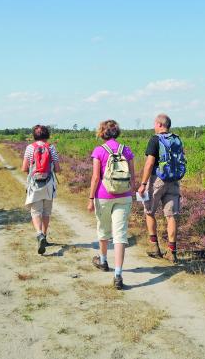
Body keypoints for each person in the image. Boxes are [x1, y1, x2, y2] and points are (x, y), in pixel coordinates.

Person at [87, 120, 136, 289]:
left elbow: (95, 178)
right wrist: (133, 194)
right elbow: (133, 176)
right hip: (124, 196)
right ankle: (118, 274)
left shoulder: (99, 151)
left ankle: (103, 260)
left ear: (102, 132)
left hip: (104, 195)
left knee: (103, 229)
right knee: (120, 235)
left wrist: (91, 198)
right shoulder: (126, 150)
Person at [136, 114, 186, 263]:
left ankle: (154, 247)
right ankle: (172, 252)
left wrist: (143, 184)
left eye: (154, 124)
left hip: (157, 180)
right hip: (174, 181)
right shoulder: (176, 139)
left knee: (149, 211)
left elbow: (150, 163)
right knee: (172, 216)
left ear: (159, 124)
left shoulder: (155, 139)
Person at [22, 124, 61, 255]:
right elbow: (57, 168)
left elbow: (24, 168)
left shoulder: (29, 148)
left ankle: (39, 235)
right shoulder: (51, 147)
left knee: (36, 211)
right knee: (46, 211)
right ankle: (44, 235)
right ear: (47, 135)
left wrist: (33, 172)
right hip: (49, 184)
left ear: (34, 135)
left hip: (34, 185)